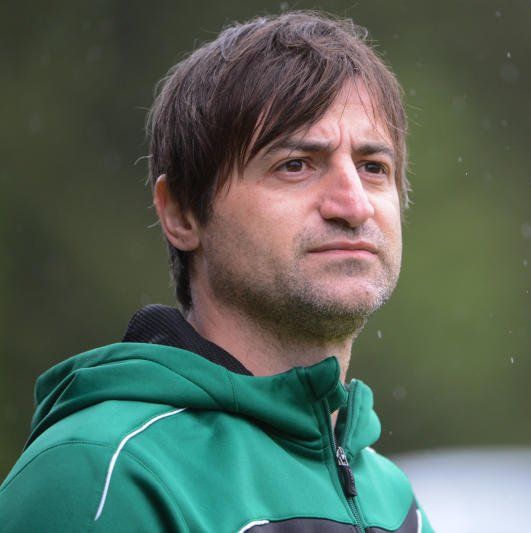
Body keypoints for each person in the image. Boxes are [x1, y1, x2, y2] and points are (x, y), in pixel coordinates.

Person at [0, 11, 433, 532]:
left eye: (373, 168)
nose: (354, 204)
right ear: (182, 212)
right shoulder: (101, 473)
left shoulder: (397, 504)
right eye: (295, 164)